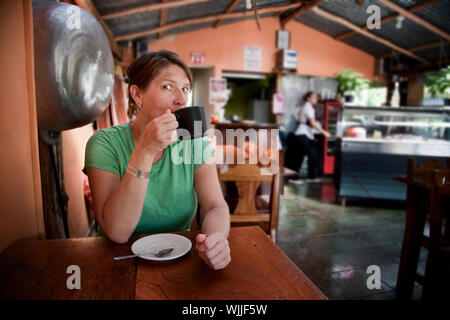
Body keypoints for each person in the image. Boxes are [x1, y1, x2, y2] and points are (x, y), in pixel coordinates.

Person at [84, 50, 231, 270]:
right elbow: (117, 231)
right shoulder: (104, 144)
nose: (181, 99)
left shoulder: (194, 143)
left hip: (179, 255)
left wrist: (215, 240)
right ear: (137, 94)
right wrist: (144, 151)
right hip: (116, 260)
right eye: (168, 86)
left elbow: (214, 206)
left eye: (185, 89)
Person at [286, 91, 331, 184]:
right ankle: (293, 178)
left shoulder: (307, 107)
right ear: (308, 99)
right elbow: (313, 123)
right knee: (299, 157)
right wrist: (324, 132)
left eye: (317, 97)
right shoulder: (308, 107)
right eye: (314, 97)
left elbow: (299, 120)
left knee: (312, 154)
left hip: (306, 134)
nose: (316, 99)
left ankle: (312, 176)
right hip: (302, 134)